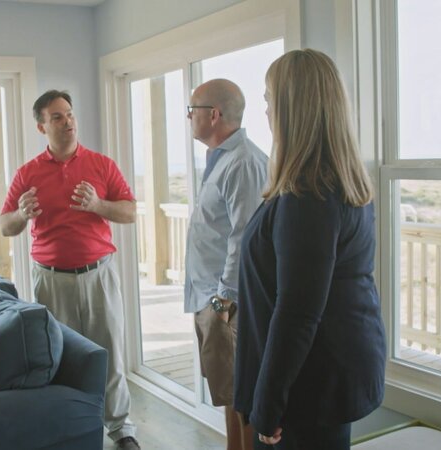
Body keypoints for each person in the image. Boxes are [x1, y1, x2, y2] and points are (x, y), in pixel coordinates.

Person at [234, 49, 387, 449]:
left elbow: (298, 313)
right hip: (330, 367)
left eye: (268, 100)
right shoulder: (337, 181)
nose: (265, 111)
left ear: (290, 107)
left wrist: (267, 404)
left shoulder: (309, 195)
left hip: (310, 381)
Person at [0, 90, 141, 450]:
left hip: (99, 277)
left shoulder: (101, 164)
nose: (68, 122)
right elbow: (5, 225)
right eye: (58, 117)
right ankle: (69, 430)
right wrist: (22, 213)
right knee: (58, 359)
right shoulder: (27, 173)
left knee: (109, 354)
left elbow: (128, 211)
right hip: (51, 281)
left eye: (70, 114)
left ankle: (121, 430)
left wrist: (98, 205)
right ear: (41, 126)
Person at [184, 79, 267, 450]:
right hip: (212, 298)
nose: (189, 117)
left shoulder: (244, 162)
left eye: (192, 110)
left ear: (213, 115)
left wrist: (223, 303)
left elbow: (244, 238)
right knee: (229, 393)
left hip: (227, 303)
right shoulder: (221, 158)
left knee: (242, 397)